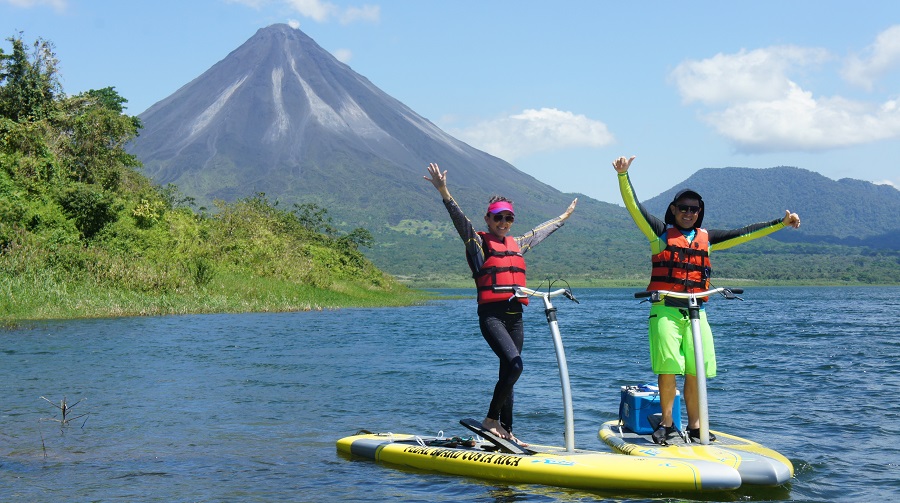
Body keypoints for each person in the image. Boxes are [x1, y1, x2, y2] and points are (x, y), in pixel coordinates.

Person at [612, 155, 800, 445]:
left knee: (697, 369)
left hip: (696, 312)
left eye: (694, 209)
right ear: (673, 209)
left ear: (700, 212)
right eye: (683, 208)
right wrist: (623, 176)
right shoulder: (660, 234)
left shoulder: (707, 238)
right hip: (666, 311)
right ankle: (667, 424)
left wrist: (781, 223)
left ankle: (697, 425)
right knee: (668, 366)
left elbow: (746, 232)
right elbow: (635, 208)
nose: (689, 213)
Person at [424, 162, 577, 444]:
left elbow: (540, 232)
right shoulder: (478, 244)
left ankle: (506, 429)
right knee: (515, 365)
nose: (503, 223)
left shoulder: (517, 243)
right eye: (498, 218)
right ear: (488, 219)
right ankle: (490, 419)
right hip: (492, 316)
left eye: (508, 219)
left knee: (509, 371)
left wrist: (564, 217)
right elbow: (461, 223)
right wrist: (444, 190)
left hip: (515, 316)